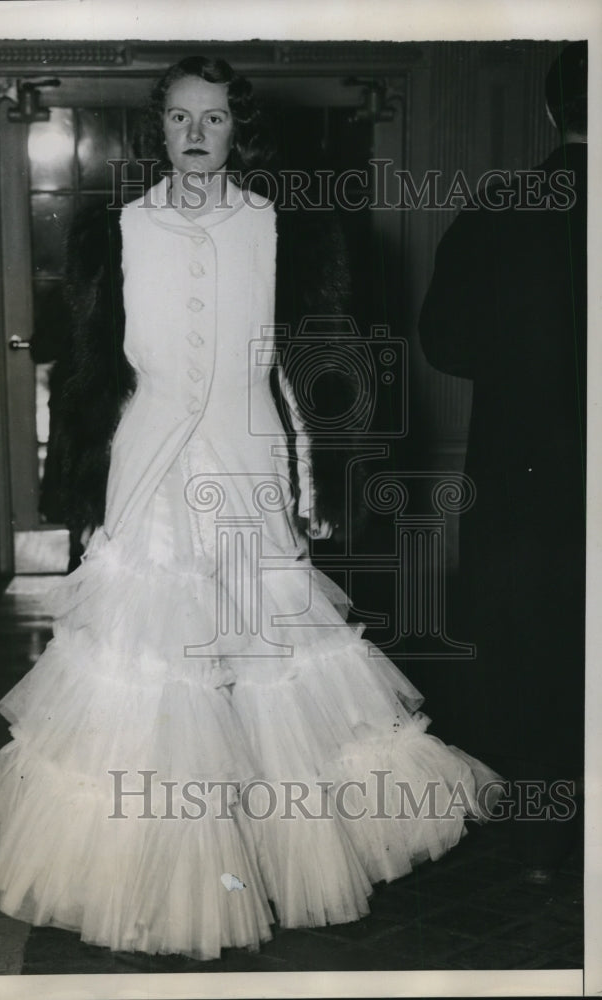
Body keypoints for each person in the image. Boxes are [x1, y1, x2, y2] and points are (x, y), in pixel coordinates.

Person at [0, 56, 500, 960]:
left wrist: (311, 480)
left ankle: (262, 856)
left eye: (212, 119)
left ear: (235, 130)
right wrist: (88, 490)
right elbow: (92, 373)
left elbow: (315, 364)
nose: (195, 134)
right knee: (156, 671)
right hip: (148, 471)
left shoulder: (285, 227)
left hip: (249, 463)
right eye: (179, 118)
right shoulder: (117, 229)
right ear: (159, 128)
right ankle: (150, 871)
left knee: (266, 666)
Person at [418, 43, 586, 877]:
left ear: (552, 111)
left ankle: (539, 845)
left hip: (521, 480)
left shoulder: (498, 208)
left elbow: (444, 342)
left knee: (530, 654)